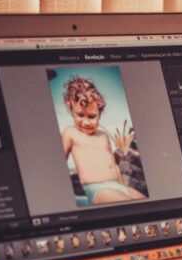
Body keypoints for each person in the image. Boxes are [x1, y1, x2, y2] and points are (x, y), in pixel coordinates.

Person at [60, 76, 145, 205]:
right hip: (98, 189)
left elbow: (114, 166)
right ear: (72, 111)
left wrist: (124, 188)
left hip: (118, 185)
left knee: (144, 201)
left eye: (92, 116)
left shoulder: (103, 136)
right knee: (130, 206)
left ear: (100, 114)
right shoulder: (70, 133)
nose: (86, 121)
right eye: (80, 115)